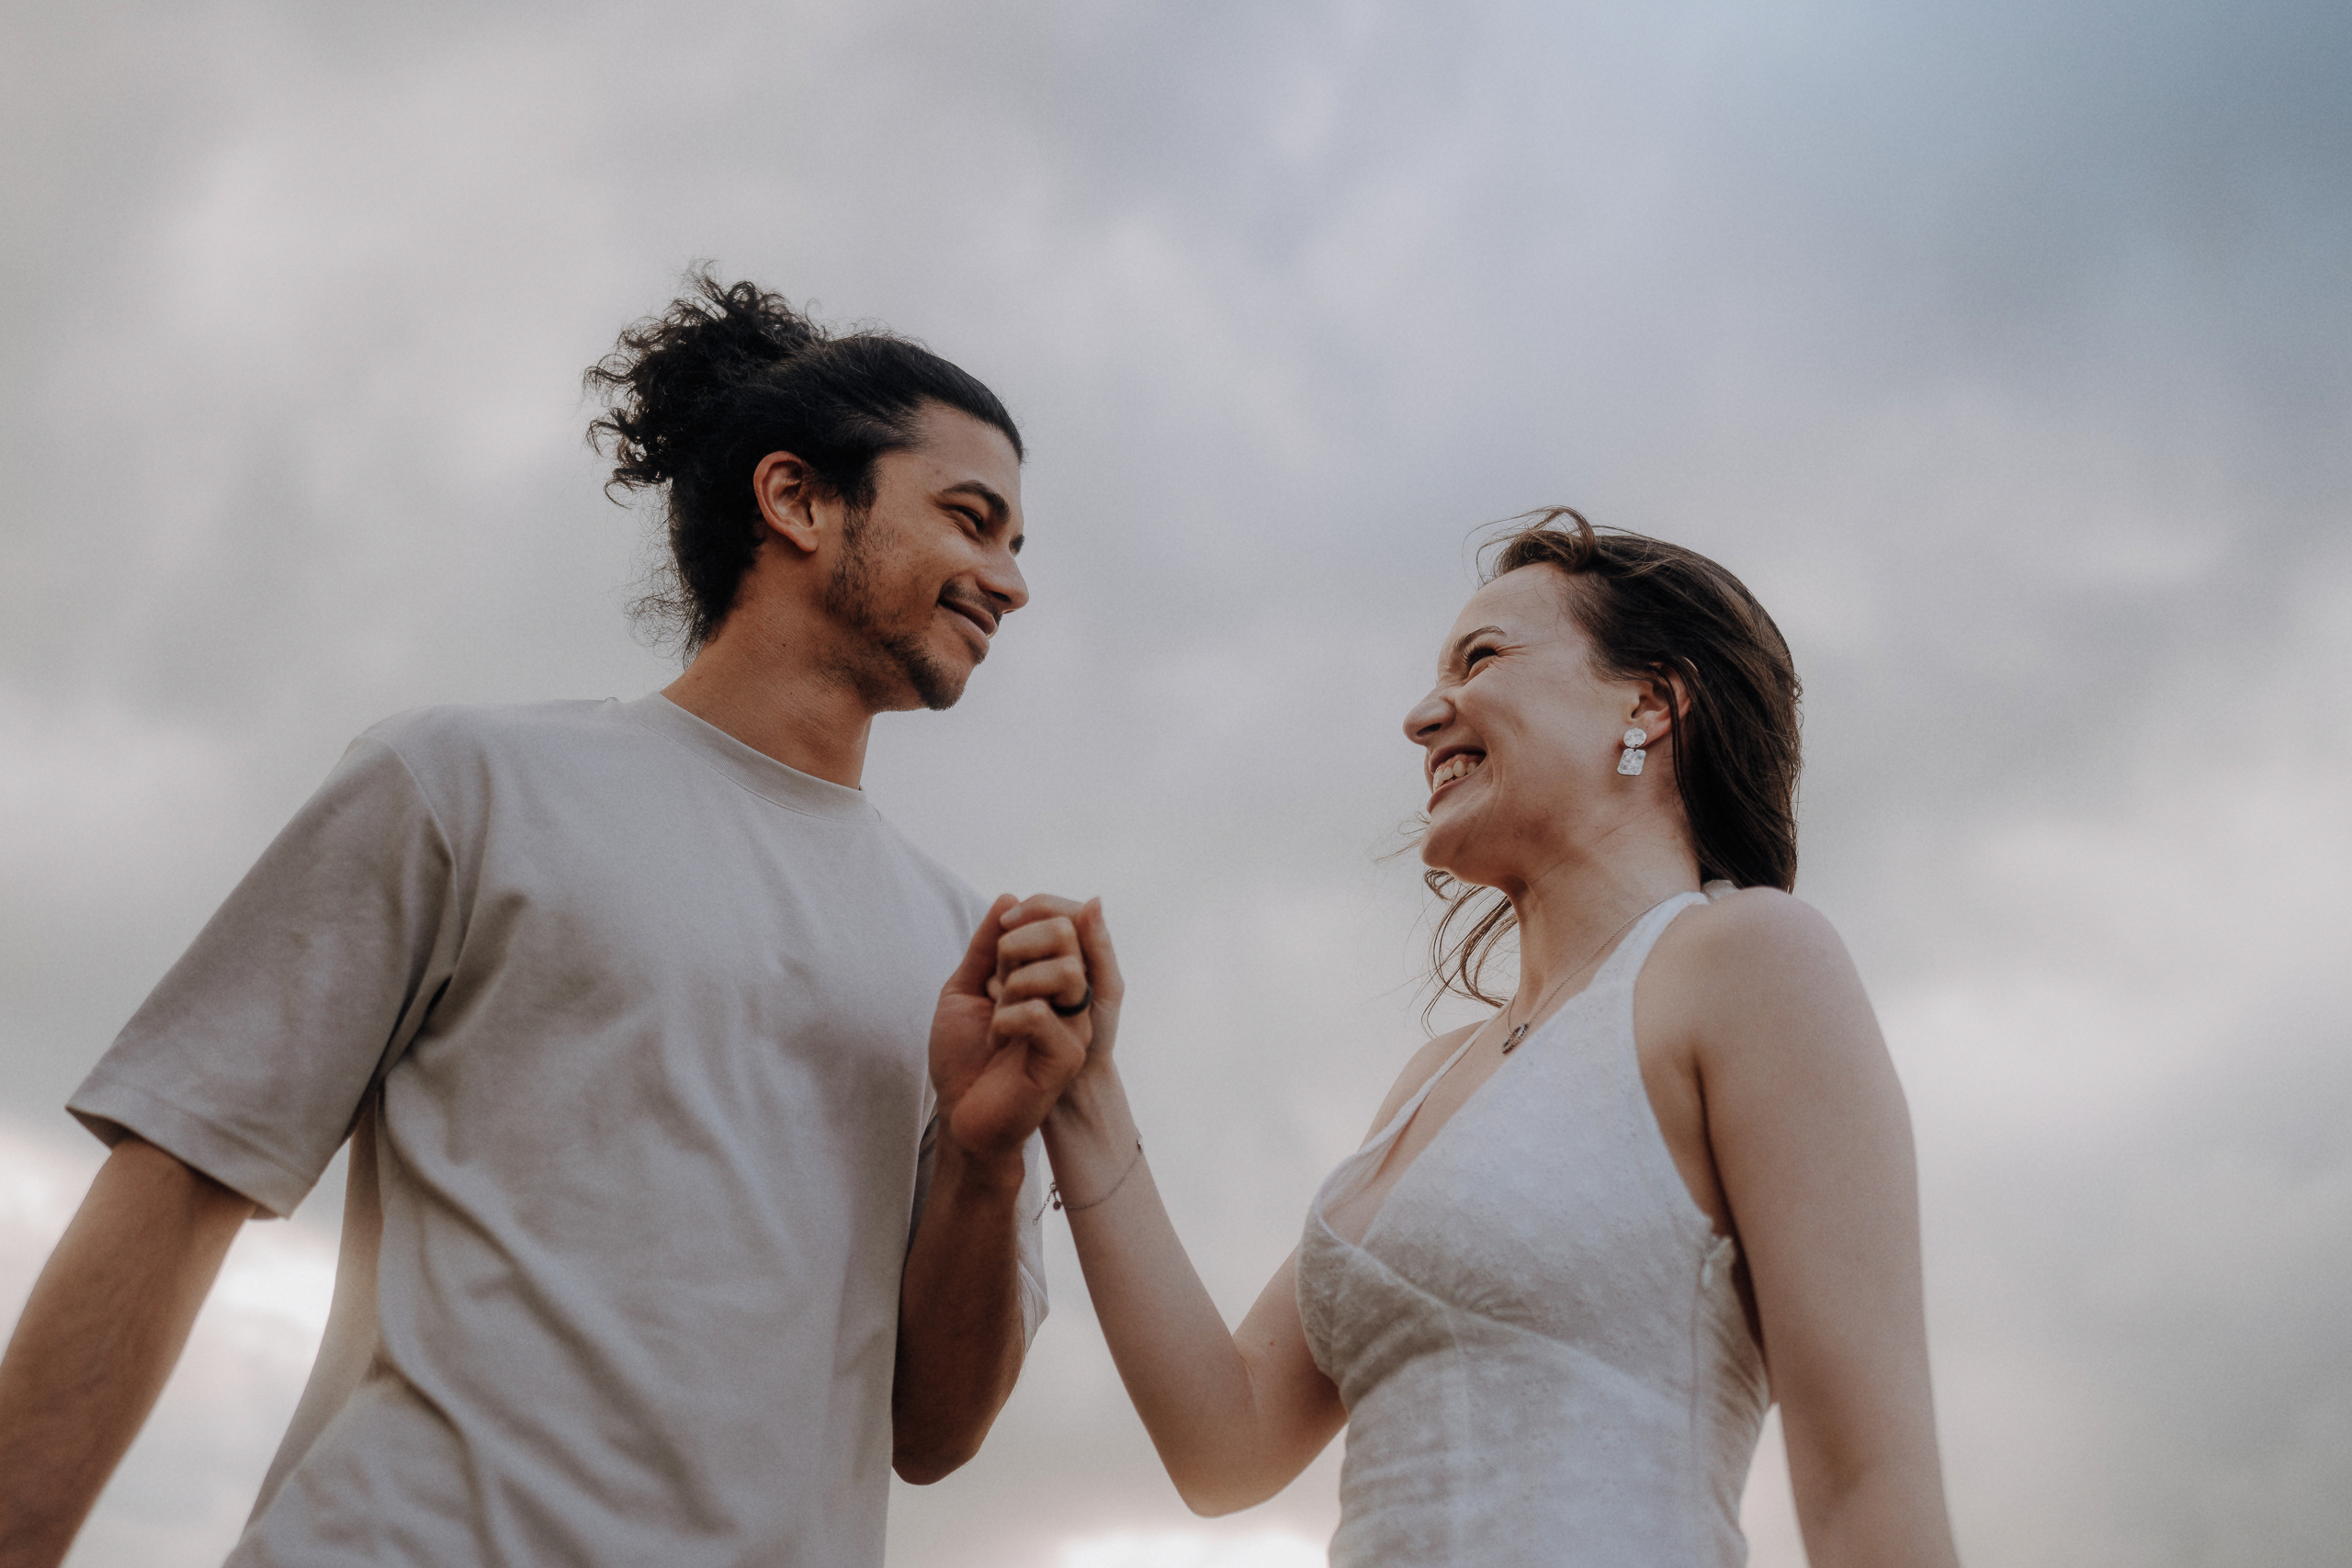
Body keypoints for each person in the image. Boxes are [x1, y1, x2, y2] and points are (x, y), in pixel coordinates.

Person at [0, 274, 1099, 1568]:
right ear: (797, 498)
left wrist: (985, 1156)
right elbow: (181, 1177)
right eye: (974, 521)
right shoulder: (465, 782)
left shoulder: (966, 957)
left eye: (1019, 543)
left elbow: (933, 1432)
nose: (1010, 581)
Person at [1014, 510, 1962, 1565]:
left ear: (1648, 700)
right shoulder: (1433, 1079)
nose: (1424, 716)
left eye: (1480, 659)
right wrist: (1083, 1089)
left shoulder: (1747, 960)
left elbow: (1866, 1479)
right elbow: (1223, 1445)